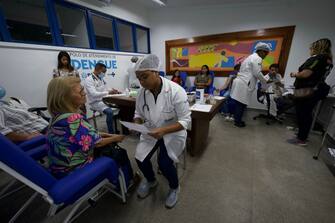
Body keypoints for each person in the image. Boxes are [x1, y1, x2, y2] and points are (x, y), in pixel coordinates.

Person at [46, 76, 134, 182]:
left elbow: (87, 134)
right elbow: (98, 143)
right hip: (73, 171)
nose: (84, 93)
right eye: (81, 91)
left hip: (58, 169)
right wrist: (117, 138)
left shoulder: (56, 117)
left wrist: (110, 135)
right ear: (65, 98)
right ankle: (127, 182)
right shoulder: (73, 119)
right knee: (119, 153)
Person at [133, 54, 191, 209]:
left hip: (173, 133)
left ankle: (174, 187)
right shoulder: (141, 93)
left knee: (164, 163)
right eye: (139, 78)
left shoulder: (176, 91)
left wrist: (164, 130)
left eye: (144, 77)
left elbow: (186, 121)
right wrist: (137, 123)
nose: (141, 82)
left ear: (156, 72)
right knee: (140, 158)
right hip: (151, 131)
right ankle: (151, 180)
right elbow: (138, 114)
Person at [287, 38, 333, 146]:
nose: (310, 50)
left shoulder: (319, 58)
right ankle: (301, 135)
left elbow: (306, 74)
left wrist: (294, 74)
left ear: (316, 48)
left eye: (311, 48)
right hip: (313, 90)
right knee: (306, 113)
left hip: (307, 91)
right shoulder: (328, 60)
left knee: (303, 113)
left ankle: (301, 139)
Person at [230, 42, 272, 127]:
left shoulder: (250, 57)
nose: (266, 56)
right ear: (261, 51)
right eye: (266, 53)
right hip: (244, 83)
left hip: (241, 81)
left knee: (239, 103)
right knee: (241, 103)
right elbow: (257, 73)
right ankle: (237, 122)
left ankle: (237, 120)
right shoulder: (257, 58)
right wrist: (265, 81)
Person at [85, 62, 120, 134]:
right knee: (110, 112)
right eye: (103, 72)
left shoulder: (101, 79)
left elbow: (105, 89)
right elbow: (94, 94)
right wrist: (108, 93)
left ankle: (118, 127)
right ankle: (111, 133)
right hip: (95, 102)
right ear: (98, 70)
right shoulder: (89, 80)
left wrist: (112, 90)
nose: (104, 74)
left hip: (104, 100)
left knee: (119, 106)